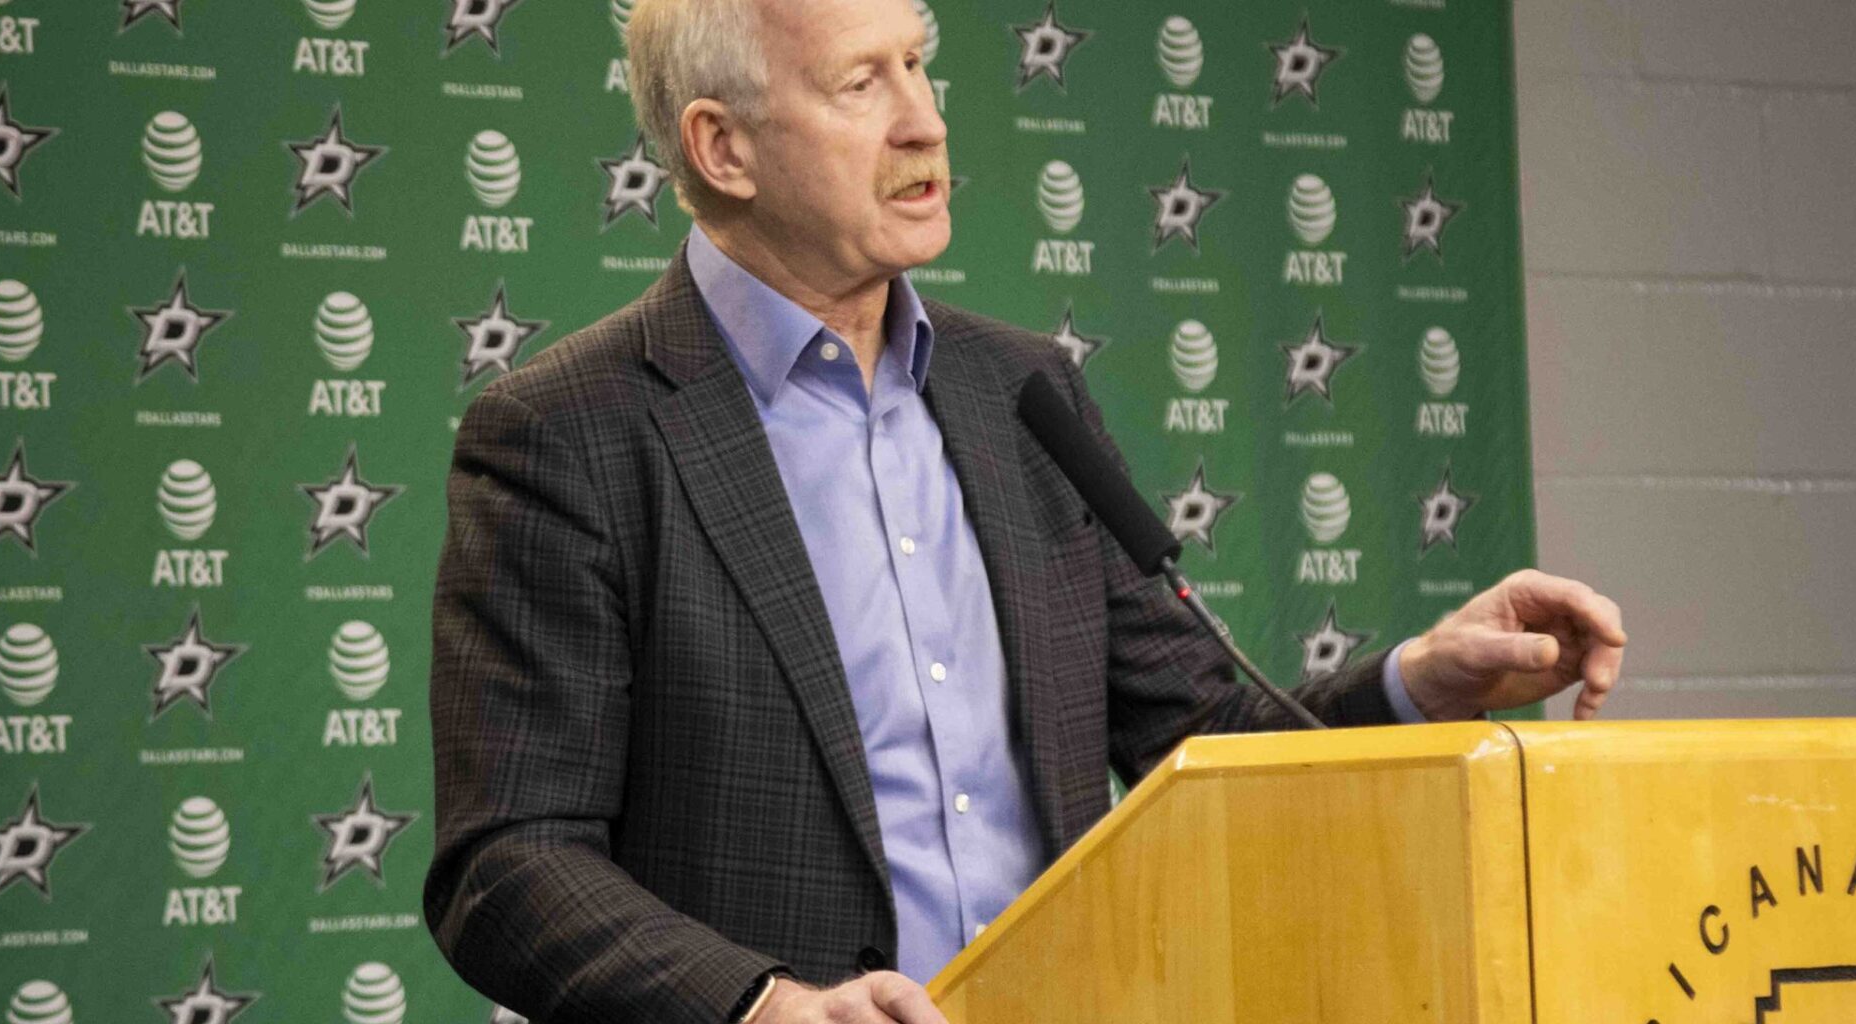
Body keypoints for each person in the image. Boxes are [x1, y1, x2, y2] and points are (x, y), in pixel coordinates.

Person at [423, 0, 1628, 1021]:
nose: (926, 118)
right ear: (723, 149)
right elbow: (509, 863)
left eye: (920, 62)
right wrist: (762, 1004)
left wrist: (1421, 679)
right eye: (862, 82)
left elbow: (1196, 743)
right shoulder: (569, 431)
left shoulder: (1022, 393)